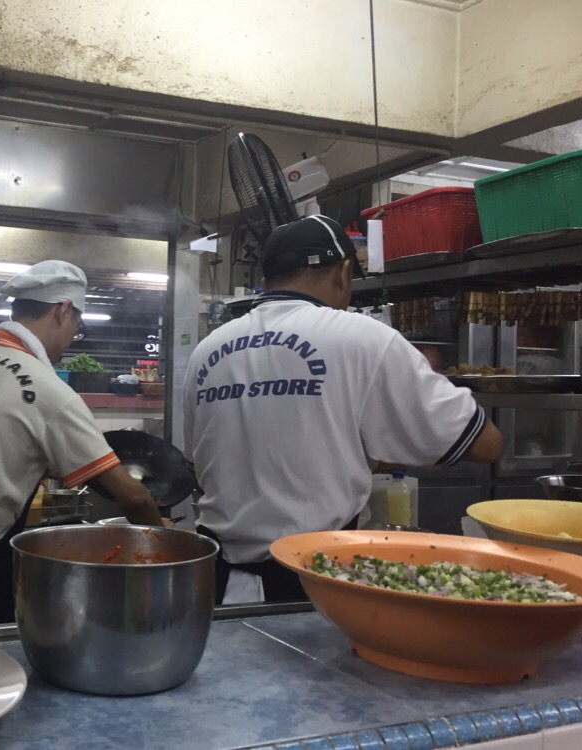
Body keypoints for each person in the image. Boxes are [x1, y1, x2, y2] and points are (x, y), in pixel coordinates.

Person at [183, 215, 504, 605]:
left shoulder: (206, 351)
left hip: (213, 585)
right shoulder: (365, 339)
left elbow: (204, 467)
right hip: (311, 584)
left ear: (267, 279)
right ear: (343, 271)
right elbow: (485, 444)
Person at [0, 260, 165, 624]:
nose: (72, 339)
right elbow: (133, 497)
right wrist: (168, 546)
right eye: (77, 327)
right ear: (63, 310)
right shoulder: (50, 391)